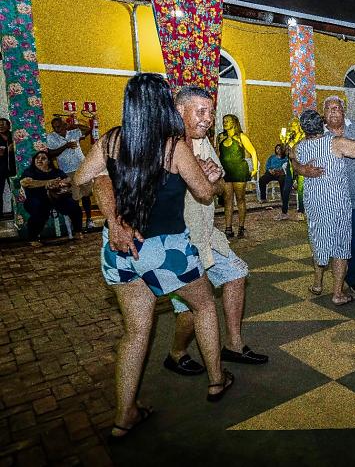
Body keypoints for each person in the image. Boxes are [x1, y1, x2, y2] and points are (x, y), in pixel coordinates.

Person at [74, 74, 233, 439]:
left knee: (135, 333)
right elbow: (205, 193)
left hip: (121, 249)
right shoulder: (173, 146)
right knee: (204, 306)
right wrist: (212, 176)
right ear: (165, 105)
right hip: (165, 249)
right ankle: (216, 379)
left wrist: (110, 207)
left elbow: (79, 182)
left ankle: (124, 415)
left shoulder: (111, 140)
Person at [94, 85, 268, 377]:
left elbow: (214, 187)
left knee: (236, 274)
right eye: (201, 112)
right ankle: (178, 355)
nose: (208, 119)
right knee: (190, 311)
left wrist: (211, 177)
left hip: (204, 235)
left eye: (211, 112)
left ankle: (234, 346)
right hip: (173, 242)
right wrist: (115, 220)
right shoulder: (156, 144)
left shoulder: (202, 143)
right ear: (178, 111)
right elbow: (101, 180)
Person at [293, 96, 355, 296]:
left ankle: (354, 278)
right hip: (332, 202)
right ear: (323, 114)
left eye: (337, 108)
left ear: (344, 111)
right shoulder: (317, 134)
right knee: (329, 240)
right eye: (329, 109)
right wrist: (302, 169)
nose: (334, 111)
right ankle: (336, 283)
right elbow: (294, 156)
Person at [20, 151, 82, 246]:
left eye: (43, 158)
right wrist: (48, 182)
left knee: (73, 205)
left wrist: (60, 184)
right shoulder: (29, 172)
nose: (39, 160)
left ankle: (78, 231)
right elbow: (26, 183)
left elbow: (68, 181)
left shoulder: (56, 172)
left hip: (57, 198)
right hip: (36, 199)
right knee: (39, 209)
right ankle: (33, 238)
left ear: (49, 161)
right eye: (37, 158)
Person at [47, 117, 94, 231]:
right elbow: (50, 153)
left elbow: (88, 129)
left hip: (82, 168)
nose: (56, 129)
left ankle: (89, 219)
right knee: (74, 197)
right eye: (54, 127)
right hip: (67, 171)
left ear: (64, 125)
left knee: (86, 195)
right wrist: (65, 146)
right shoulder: (51, 137)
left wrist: (73, 126)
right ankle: (76, 223)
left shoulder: (73, 132)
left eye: (59, 126)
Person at [217, 114, 257, 238]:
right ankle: (228, 228)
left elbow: (253, 152)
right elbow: (218, 154)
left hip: (239, 171)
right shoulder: (220, 137)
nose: (225, 123)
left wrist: (255, 169)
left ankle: (241, 227)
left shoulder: (241, 137)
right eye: (224, 121)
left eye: (227, 121)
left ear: (234, 123)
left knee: (240, 198)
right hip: (226, 172)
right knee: (227, 200)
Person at [275, 118, 305, 221]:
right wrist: (283, 142)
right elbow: (283, 154)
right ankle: (284, 212)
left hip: (301, 165)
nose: (292, 127)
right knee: (286, 189)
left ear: (299, 126)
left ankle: (301, 212)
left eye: (294, 125)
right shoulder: (290, 137)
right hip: (290, 166)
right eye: (291, 125)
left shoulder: (304, 136)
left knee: (300, 190)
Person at [0, 118, 16, 218]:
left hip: (14, 167)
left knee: (16, 189)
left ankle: (17, 212)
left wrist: (15, 148)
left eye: (3, 124)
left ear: (9, 126)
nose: (1, 126)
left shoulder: (13, 135)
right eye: (0, 125)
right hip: (1, 168)